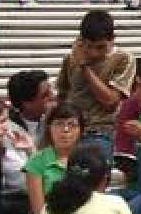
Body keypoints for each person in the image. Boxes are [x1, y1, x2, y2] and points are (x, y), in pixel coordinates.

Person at [56, 10, 136, 157]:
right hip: (71, 131)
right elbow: (62, 94)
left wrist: (84, 67)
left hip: (100, 132)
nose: (93, 53)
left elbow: (110, 101)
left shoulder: (123, 59)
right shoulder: (70, 58)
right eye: (88, 46)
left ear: (112, 40)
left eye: (100, 47)